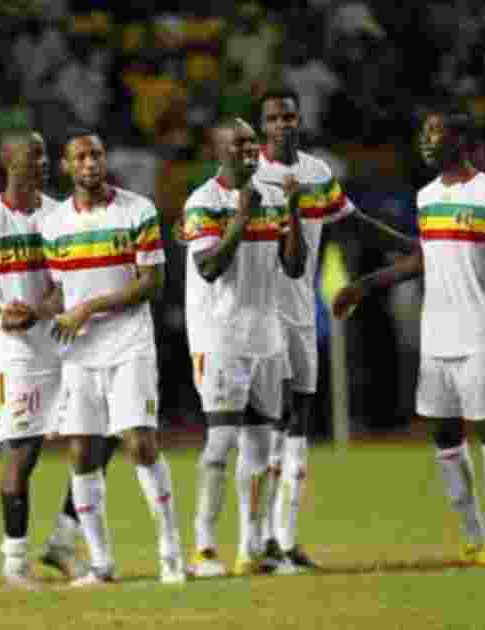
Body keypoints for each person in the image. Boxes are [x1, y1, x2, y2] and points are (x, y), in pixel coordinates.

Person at [333, 105, 485, 567]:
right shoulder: (427, 197)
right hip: (437, 336)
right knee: (444, 436)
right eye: (425, 132)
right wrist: (364, 285)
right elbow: (424, 259)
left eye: (436, 132)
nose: (427, 140)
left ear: (462, 141)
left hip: (483, 334)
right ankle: (472, 535)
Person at [253, 88, 416, 570]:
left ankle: (285, 539)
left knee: (299, 424)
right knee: (272, 424)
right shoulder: (251, 176)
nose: (283, 123)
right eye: (274, 118)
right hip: (261, 317)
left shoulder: (318, 173)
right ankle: (259, 537)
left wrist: (408, 243)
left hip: (302, 313)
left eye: (289, 115)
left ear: (298, 119)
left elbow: (353, 221)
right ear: (263, 126)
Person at [0, 130, 120, 587]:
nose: (46, 162)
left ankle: (63, 541)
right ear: (10, 162)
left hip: (65, 343)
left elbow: (67, 279)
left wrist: (43, 309)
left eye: (46, 155)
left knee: (99, 435)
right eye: (36, 156)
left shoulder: (58, 216)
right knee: (22, 455)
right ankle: (14, 563)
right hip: (17, 356)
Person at [41, 129, 185, 586]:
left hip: (129, 343)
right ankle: (101, 565)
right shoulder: (54, 225)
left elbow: (151, 282)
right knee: (82, 454)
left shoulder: (136, 210)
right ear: (67, 167)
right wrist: (35, 311)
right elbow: (64, 288)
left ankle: (170, 554)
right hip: (80, 351)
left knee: (139, 443)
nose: (90, 163)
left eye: (97, 154)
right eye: (80, 156)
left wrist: (88, 308)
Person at [183, 118, 307, 578]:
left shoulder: (272, 197)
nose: (250, 151)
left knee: (259, 447)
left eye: (253, 144)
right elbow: (210, 267)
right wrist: (241, 215)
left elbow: (293, 267)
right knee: (219, 441)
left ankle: (251, 547)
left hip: (266, 337)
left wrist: (292, 211)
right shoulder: (202, 203)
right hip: (219, 339)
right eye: (239, 145)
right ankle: (204, 548)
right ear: (219, 151)